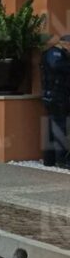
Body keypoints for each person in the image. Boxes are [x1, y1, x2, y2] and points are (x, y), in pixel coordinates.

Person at [40, 35, 70, 168]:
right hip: (56, 96)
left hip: (55, 95)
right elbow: (57, 66)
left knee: (53, 126)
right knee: (60, 126)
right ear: (66, 44)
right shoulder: (55, 53)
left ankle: (50, 159)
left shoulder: (57, 54)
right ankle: (61, 160)